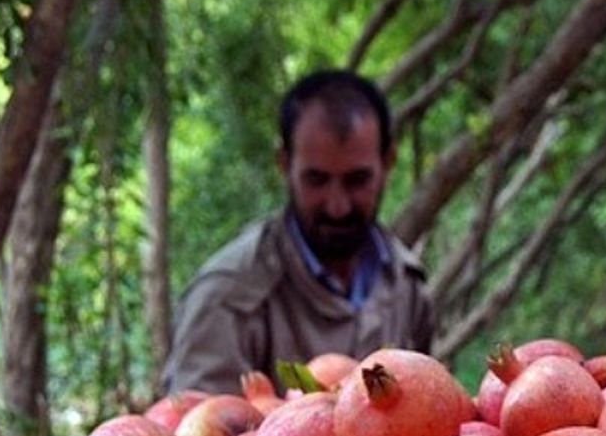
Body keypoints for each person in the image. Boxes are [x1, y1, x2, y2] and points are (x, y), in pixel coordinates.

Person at [162, 69, 435, 394]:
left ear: (388, 162)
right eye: (317, 180)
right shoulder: (227, 298)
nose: (338, 206)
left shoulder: (407, 287)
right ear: (284, 163)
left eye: (357, 180)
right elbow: (198, 434)